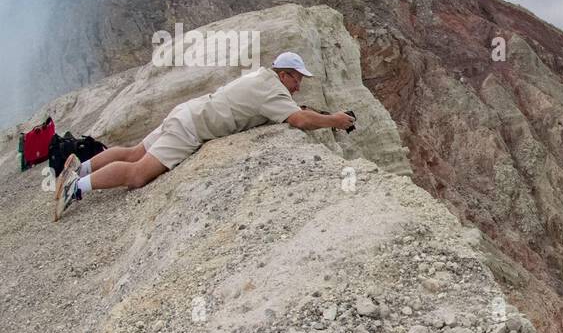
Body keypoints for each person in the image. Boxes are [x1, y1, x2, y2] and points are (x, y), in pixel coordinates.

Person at [54, 51, 356, 221]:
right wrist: (335, 121)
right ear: (285, 74)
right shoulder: (272, 89)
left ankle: (80, 167)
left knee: (134, 151)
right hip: (190, 129)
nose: (298, 86)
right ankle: (75, 187)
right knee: (136, 174)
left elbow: (282, 107)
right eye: (297, 79)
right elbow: (300, 119)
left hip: (187, 112)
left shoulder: (260, 76)